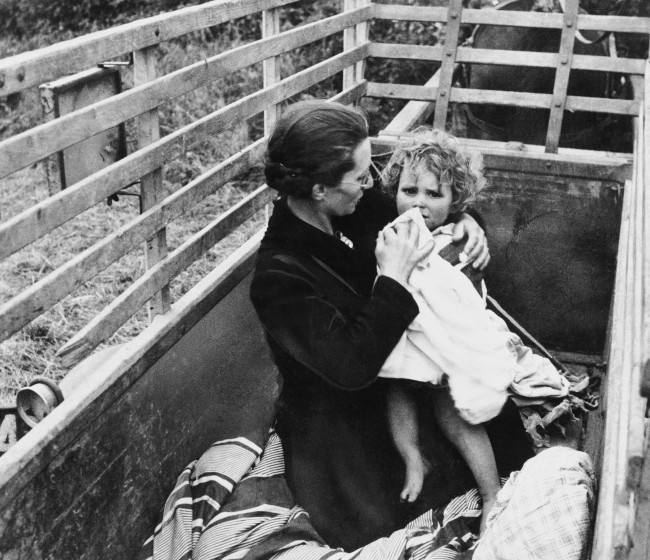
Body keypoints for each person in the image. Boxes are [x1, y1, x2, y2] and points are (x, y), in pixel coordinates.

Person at [249, 99, 533, 551]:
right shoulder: (279, 278)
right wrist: (395, 280)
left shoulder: (354, 208)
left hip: (402, 377)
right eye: (361, 175)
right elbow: (349, 367)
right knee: (412, 505)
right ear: (320, 189)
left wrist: (466, 223)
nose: (371, 184)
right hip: (342, 424)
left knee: (497, 429)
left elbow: (424, 214)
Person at [377, 128, 569, 532]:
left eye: (434, 195)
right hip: (408, 345)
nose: (419, 203)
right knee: (395, 390)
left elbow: (463, 304)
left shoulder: (457, 241)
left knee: (457, 412)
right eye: (409, 191)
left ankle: (489, 493)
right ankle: (412, 456)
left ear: (455, 202)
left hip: (449, 351)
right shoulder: (390, 235)